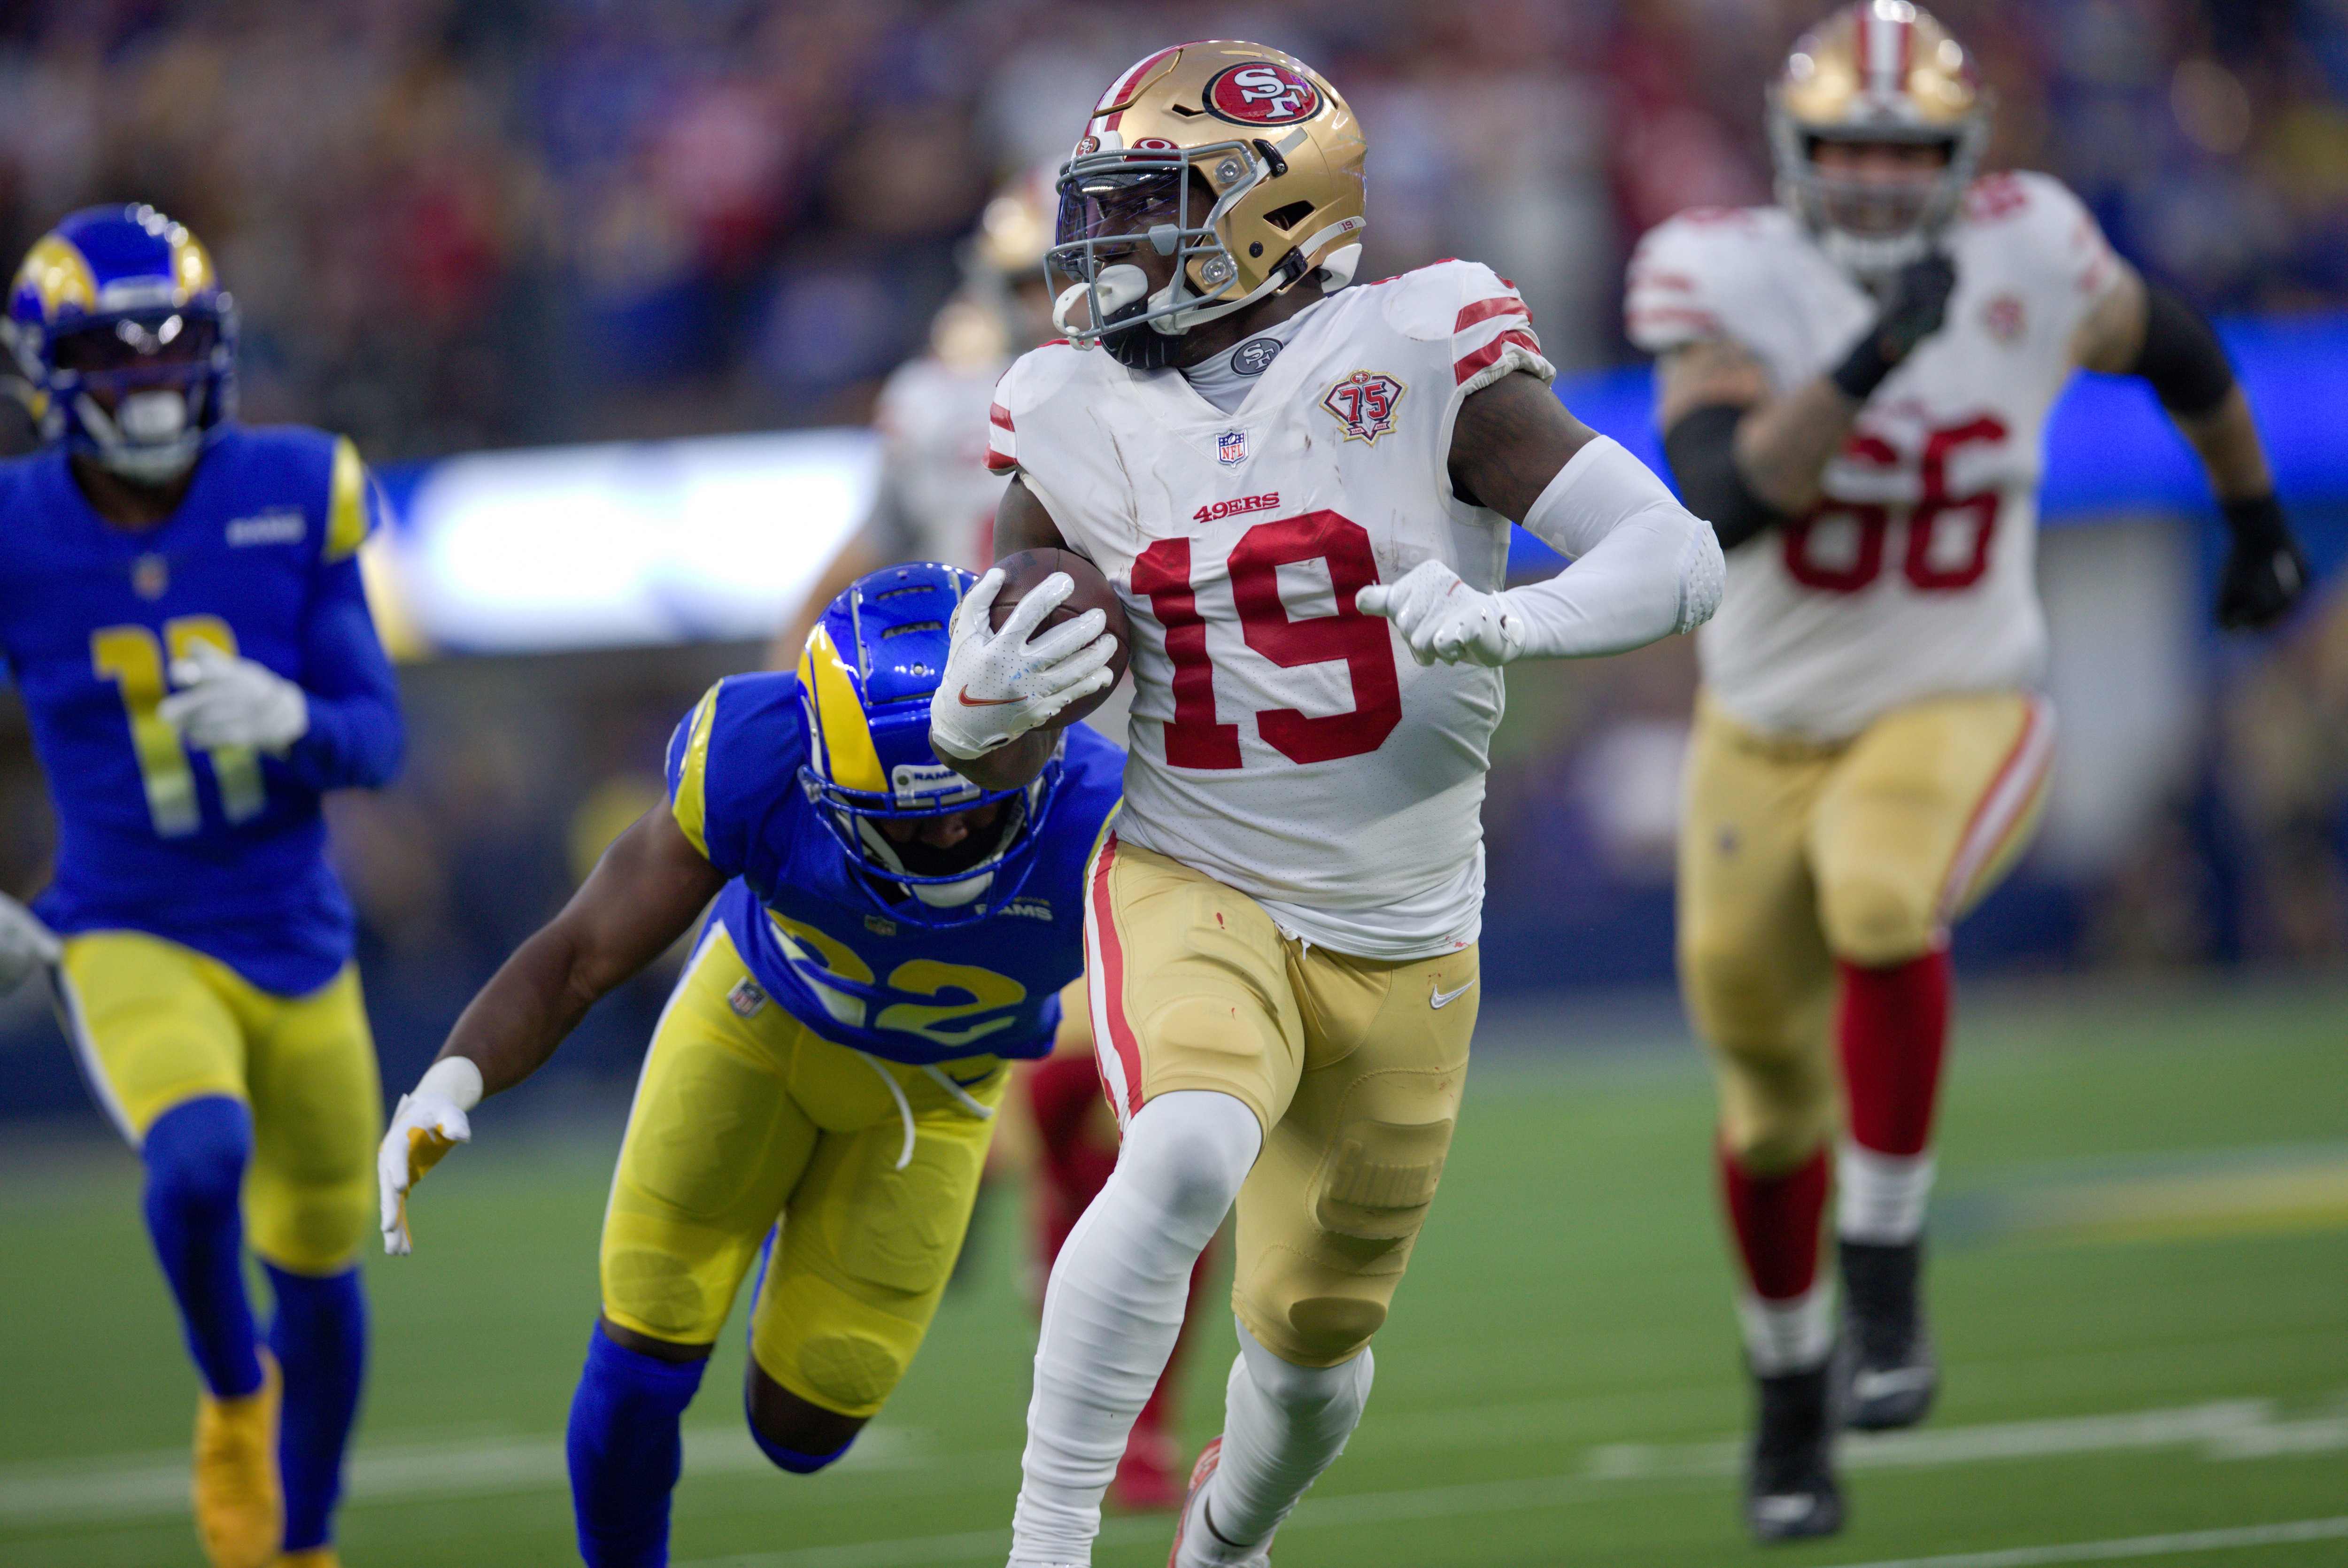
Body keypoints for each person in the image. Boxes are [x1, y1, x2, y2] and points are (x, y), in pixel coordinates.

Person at [925, 41, 1725, 1568]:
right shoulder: (1069, 408)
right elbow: (1005, 716)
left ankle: (1226, 1538)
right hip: (1192, 869)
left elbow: (1676, 556)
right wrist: (976, 715)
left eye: (1151, 209)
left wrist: (1511, 621)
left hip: (1407, 931)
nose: (1111, 250)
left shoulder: (1421, 348)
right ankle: (1044, 1547)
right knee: (1173, 1156)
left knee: (1306, 1363)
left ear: (1270, 214)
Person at [1624, 1, 2311, 1541]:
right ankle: (1793, 1400)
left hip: (1960, 700)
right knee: (1768, 1111)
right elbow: (1730, 498)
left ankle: (1888, 1269)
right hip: (1761, 732)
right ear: (1796, 157)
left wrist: (2255, 511)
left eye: (1905, 155)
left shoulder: (2035, 246)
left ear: (1963, 159)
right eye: (1849, 154)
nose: (1875, 185)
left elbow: (2180, 344)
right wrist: (1876, 351)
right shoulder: (1716, 268)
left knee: (1882, 895)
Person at [378, 563, 1124, 1568]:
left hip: (939, 1088)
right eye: (913, 817)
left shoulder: (1105, 821)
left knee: (805, 1426)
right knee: (649, 1343)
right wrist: (451, 1078)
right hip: (756, 1029)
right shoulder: (756, 754)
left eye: (976, 801)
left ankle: (793, 1223)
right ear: (827, 780)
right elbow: (579, 955)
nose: (951, 831)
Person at [0, 204, 405, 1568]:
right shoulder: (16, 528)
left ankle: (305, 1542)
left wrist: (295, 717)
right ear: (48, 373)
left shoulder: (297, 482)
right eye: (114, 357)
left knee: (327, 1278)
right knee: (198, 1156)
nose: (150, 382)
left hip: (298, 934)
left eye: (173, 350)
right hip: (124, 926)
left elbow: (378, 738)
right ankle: (236, 1395)